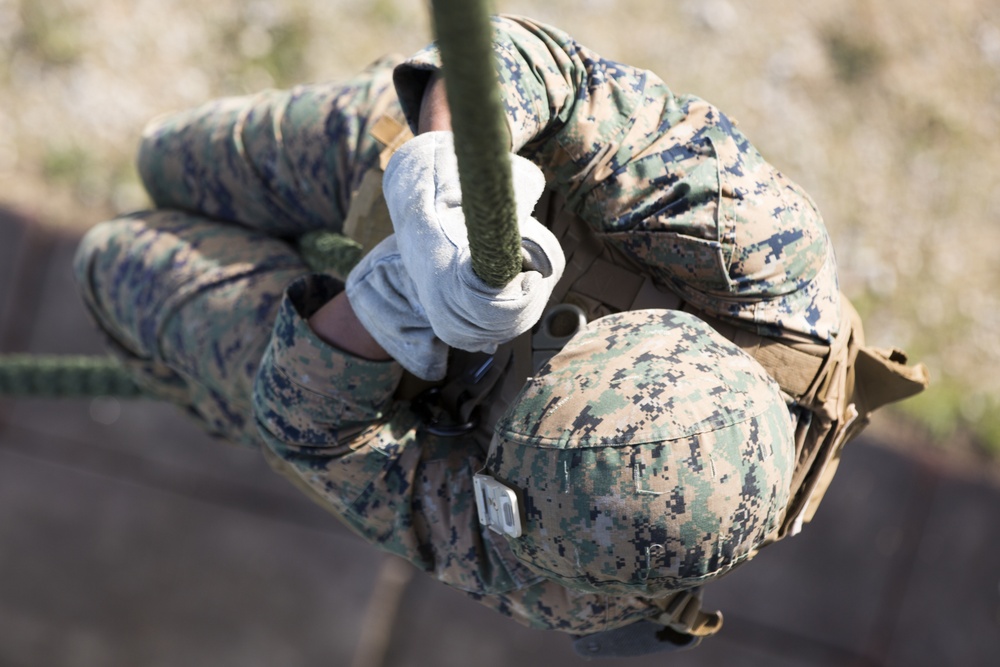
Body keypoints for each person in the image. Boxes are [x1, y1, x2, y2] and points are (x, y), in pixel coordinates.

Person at [73, 15, 923, 657]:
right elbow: (540, 70)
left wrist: (389, 305)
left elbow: (320, 442)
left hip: (374, 363)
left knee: (114, 261)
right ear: (641, 329)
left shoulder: (576, 579)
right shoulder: (759, 254)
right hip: (437, 177)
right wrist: (442, 179)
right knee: (170, 159)